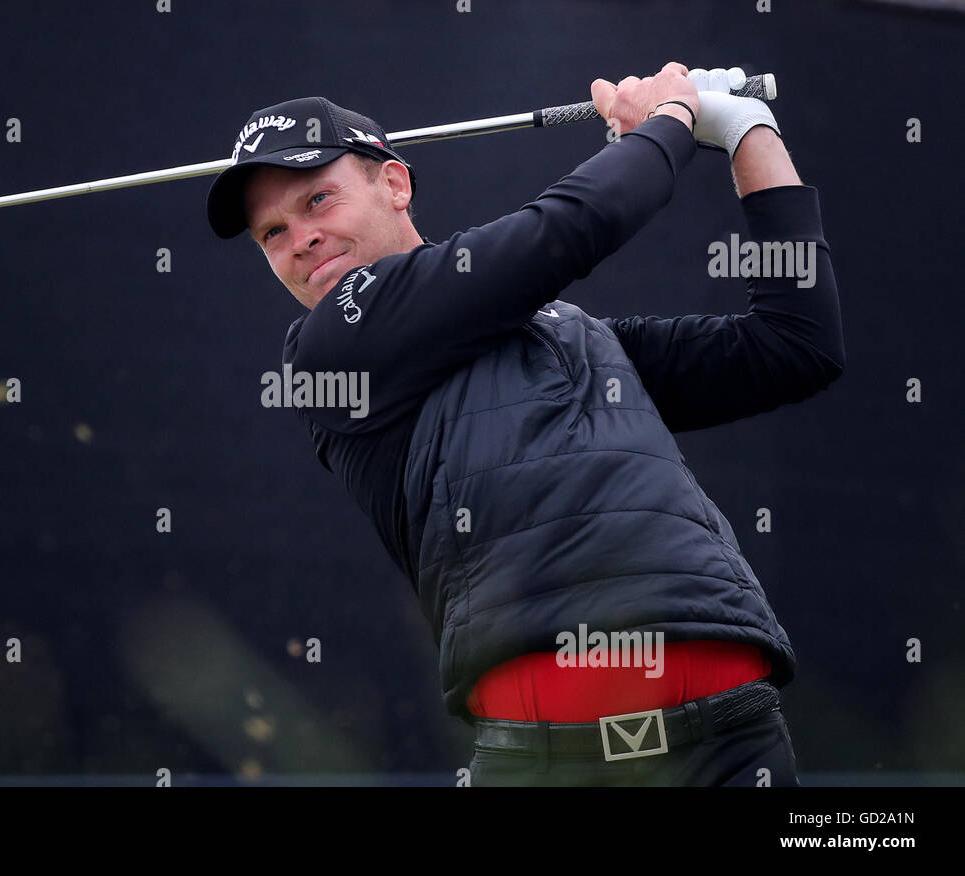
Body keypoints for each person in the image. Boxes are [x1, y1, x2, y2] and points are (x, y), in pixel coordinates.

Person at [205, 63, 844, 786]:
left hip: (733, 741)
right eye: (273, 232)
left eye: (318, 199)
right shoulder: (330, 353)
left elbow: (794, 347)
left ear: (395, 183)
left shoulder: (573, 337)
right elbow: (572, 227)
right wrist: (669, 118)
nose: (301, 239)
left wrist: (746, 133)